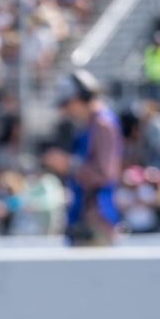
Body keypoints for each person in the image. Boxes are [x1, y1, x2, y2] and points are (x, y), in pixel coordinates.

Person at [43, 69, 123, 246]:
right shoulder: (90, 125)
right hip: (85, 218)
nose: (66, 111)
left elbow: (105, 174)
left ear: (82, 97)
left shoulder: (103, 125)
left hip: (96, 221)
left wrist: (68, 165)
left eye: (68, 104)